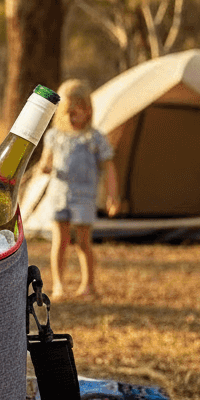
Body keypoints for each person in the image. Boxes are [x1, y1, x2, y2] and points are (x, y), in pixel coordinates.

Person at [37, 78, 120, 300]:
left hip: (84, 197)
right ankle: (59, 286)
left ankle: (88, 285)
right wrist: (44, 167)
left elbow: (109, 167)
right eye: (67, 113)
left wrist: (113, 195)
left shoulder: (95, 139)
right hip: (59, 196)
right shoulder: (54, 137)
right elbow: (46, 162)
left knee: (83, 242)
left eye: (76, 112)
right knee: (60, 241)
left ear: (88, 111)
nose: (71, 118)